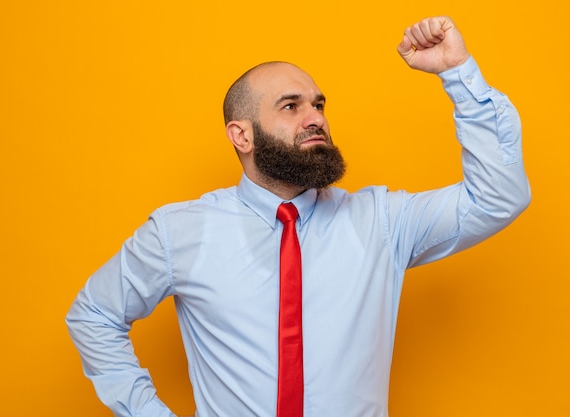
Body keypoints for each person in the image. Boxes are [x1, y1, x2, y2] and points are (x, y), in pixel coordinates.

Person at [66, 16, 530, 417]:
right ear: (241, 135)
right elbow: (94, 315)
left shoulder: (383, 221)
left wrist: (458, 74)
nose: (316, 118)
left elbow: (498, 196)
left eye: (319, 104)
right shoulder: (179, 231)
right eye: (291, 106)